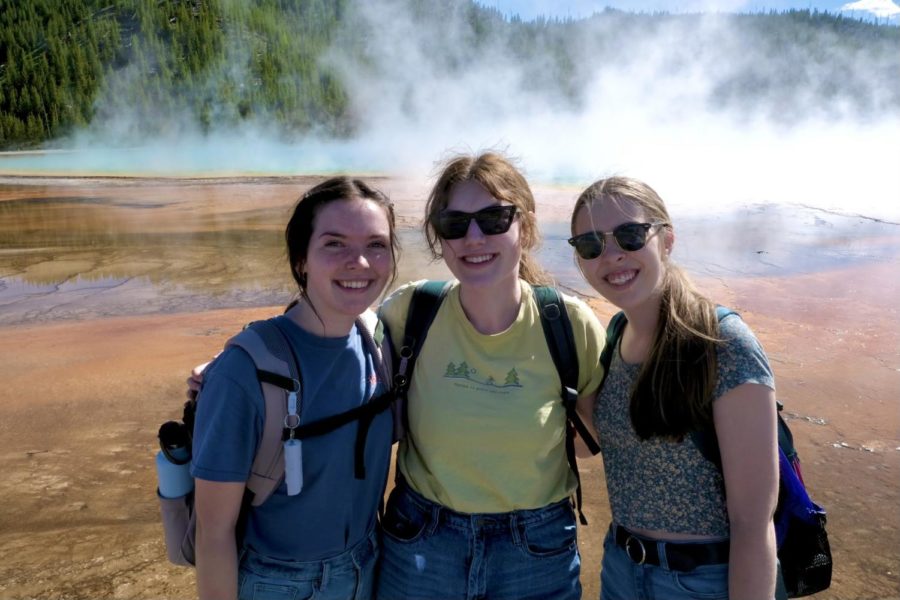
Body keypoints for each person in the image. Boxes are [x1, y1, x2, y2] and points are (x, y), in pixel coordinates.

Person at [374, 152, 606, 600]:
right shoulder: (412, 311)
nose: (474, 237)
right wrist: (244, 360)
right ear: (439, 237)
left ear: (526, 226)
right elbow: (329, 338)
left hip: (535, 548)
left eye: (493, 218)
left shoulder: (569, 324)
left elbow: (592, 435)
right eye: (455, 224)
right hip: (423, 537)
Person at [568, 176, 780, 600]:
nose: (611, 256)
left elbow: (753, 522)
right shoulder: (614, 335)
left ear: (666, 239)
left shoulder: (721, 342)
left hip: (702, 581)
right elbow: (587, 442)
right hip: (620, 571)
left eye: (629, 235)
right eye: (591, 245)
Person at [190, 177, 400, 600]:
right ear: (301, 259)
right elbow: (214, 534)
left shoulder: (381, 342)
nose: (359, 261)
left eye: (376, 244)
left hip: (370, 564)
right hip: (276, 581)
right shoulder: (245, 372)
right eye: (335, 244)